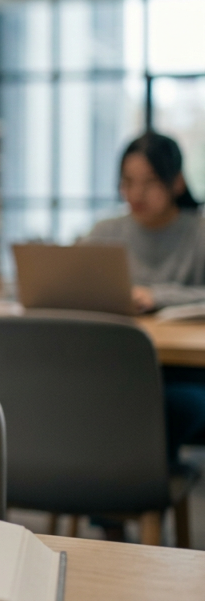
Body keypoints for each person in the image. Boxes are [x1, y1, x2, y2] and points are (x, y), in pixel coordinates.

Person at [86, 132, 205, 465]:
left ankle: (121, 499)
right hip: (111, 364)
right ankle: (113, 494)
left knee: (168, 407)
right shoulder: (105, 232)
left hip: (181, 371)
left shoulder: (198, 233)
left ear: (176, 182)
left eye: (149, 182)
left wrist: (157, 296)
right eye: (127, 182)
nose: (135, 194)